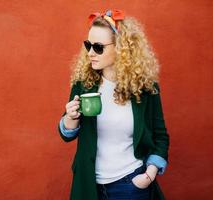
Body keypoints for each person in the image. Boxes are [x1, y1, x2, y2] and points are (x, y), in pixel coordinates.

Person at [58, 9, 170, 200]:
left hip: (130, 186)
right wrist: (70, 118)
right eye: (88, 45)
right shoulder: (84, 84)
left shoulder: (145, 88)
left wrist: (148, 175)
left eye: (99, 47)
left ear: (121, 49)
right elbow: (67, 134)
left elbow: (160, 136)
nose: (91, 53)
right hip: (89, 185)